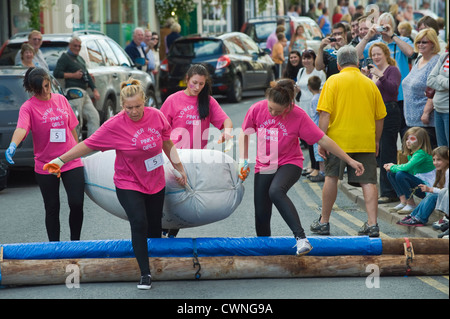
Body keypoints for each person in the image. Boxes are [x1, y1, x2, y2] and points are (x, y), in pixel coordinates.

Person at [43, 78, 187, 290]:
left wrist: (179, 168)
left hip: (155, 180)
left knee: (155, 225)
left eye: (138, 106)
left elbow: (167, 143)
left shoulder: (157, 117)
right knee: (139, 222)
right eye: (129, 108)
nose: (134, 111)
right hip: (128, 181)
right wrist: (60, 160)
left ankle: (157, 264)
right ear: (122, 106)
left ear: (145, 102)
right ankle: (145, 273)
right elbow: (88, 145)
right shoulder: (115, 124)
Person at [238, 79, 364, 255]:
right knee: (261, 213)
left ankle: (301, 239)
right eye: (270, 108)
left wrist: (350, 160)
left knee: (275, 191)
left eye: (278, 111)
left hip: (290, 162)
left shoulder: (298, 115)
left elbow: (323, 139)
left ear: (288, 106)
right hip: (265, 163)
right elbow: (246, 132)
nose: (273, 113)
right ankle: (264, 253)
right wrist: (243, 160)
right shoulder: (257, 109)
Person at [310, 45, 387, 238]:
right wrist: (376, 141)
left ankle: (324, 222)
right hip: (365, 139)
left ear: (338, 64)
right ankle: (372, 224)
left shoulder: (332, 81)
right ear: (358, 62)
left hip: (337, 141)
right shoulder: (369, 83)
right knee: (368, 180)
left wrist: (321, 140)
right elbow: (380, 117)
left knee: (331, 177)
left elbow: (325, 114)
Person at [5, 67, 84, 242]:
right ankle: (54, 247)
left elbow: (72, 128)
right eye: (42, 89)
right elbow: (21, 128)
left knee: (77, 203)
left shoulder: (61, 100)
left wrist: (77, 150)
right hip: (46, 163)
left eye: (48, 86)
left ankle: (75, 244)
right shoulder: (28, 107)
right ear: (34, 89)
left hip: (69, 159)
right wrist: (13, 144)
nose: (47, 91)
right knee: (52, 207)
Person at [356, 12, 414, 137]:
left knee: (405, 133)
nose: (383, 29)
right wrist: (368, 36)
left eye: (386, 26)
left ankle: (405, 156)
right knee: (385, 136)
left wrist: (392, 35)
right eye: (381, 26)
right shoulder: (374, 45)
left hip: (402, 95)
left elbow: (410, 52)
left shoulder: (401, 40)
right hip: (381, 95)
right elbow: (355, 55)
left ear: (393, 26)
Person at [361, 42, 402, 204]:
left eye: (379, 54)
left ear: (386, 54)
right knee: (379, 151)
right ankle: (385, 189)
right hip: (376, 113)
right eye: (373, 55)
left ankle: (389, 192)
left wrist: (380, 75)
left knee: (388, 152)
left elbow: (393, 89)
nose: (376, 57)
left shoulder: (392, 70)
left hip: (390, 111)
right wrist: (366, 77)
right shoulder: (372, 73)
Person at [160, 64, 233, 150]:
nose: (197, 87)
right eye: (194, 83)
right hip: (176, 154)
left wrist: (227, 132)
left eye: (201, 84)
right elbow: (159, 128)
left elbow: (226, 121)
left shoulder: (208, 101)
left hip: (198, 156)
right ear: (187, 79)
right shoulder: (172, 100)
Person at [53, 36, 100, 137]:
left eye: (79, 46)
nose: (77, 48)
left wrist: (94, 89)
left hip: (84, 92)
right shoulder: (65, 57)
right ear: (70, 45)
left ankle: (91, 145)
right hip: (73, 91)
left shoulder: (80, 58)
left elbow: (86, 73)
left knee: (94, 117)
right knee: (77, 121)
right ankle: (76, 146)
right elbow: (56, 73)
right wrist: (73, 75)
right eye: (75, 45)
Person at [402, 28, 440, 149]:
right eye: (418, 42)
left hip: (425, 121)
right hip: (411, 120)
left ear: (433, 44)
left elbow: (434, 90)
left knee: (426, 158)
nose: (420, 45)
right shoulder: (419, 59)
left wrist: (426, 113)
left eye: (424, 42)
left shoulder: (436, 61)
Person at [384, 127, 435, 214]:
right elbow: (409, 170)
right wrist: (392, 169)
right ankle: (403, 201)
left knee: (400, 174)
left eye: (412, 139)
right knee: (392, 173)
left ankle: (411, 204)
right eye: (407, 138)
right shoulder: (413, 153)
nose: (408, 141)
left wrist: (393, 166)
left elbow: (407, 167)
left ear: (421, 141)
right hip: (419, 182)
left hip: (427, 188)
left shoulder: (421, 153)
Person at [295, 49, 326, 180]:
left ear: (314, 59)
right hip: (303, 105)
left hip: (314, 107)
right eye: (304, 58)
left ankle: (317, 168)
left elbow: (323, 89)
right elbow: (298, 87)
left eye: (309, 58)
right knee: (307, 140)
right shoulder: (301, 71)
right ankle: (313, 167)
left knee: (314, 138)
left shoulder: (319, 72)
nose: (306, 61)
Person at [398, 146, 448, 226]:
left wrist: (431, 189)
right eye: (434, 160)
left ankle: (420, 218)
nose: (435, 163)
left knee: (433, 196)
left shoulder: (448, 172)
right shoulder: (441, 171)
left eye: (439, 160)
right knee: (431, 195)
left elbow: (447, 192)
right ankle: (413, 215)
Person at [426, 42, 449, 147]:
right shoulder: (444, 56)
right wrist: (444, 85)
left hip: (448, 111)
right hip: (438, 109)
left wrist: (439, 78)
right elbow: (430, 80)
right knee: (441, 149)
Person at [307, 75, 326, 182]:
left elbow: (318, 112)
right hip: (318, 126)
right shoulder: (320, 96)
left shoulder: (314, 99)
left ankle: (322, 172)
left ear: (309, 87)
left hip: (316, 127)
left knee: (317, 150)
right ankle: (321, 171)